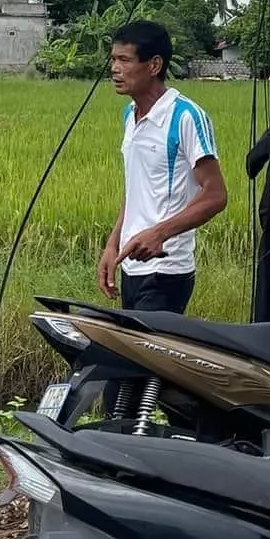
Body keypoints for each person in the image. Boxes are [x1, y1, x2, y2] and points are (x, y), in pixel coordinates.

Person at [97, 19, 228, 316]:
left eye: (124, 60)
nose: (114, 69)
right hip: (132, 266)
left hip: (166, 271)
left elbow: (216, 195)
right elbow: (136, 191)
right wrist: (112, 245)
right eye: (113, 59)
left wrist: (159, 234)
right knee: (135, 358)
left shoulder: (185, 116)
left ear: (154, 65)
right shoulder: (130, 115)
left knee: (143, 360)